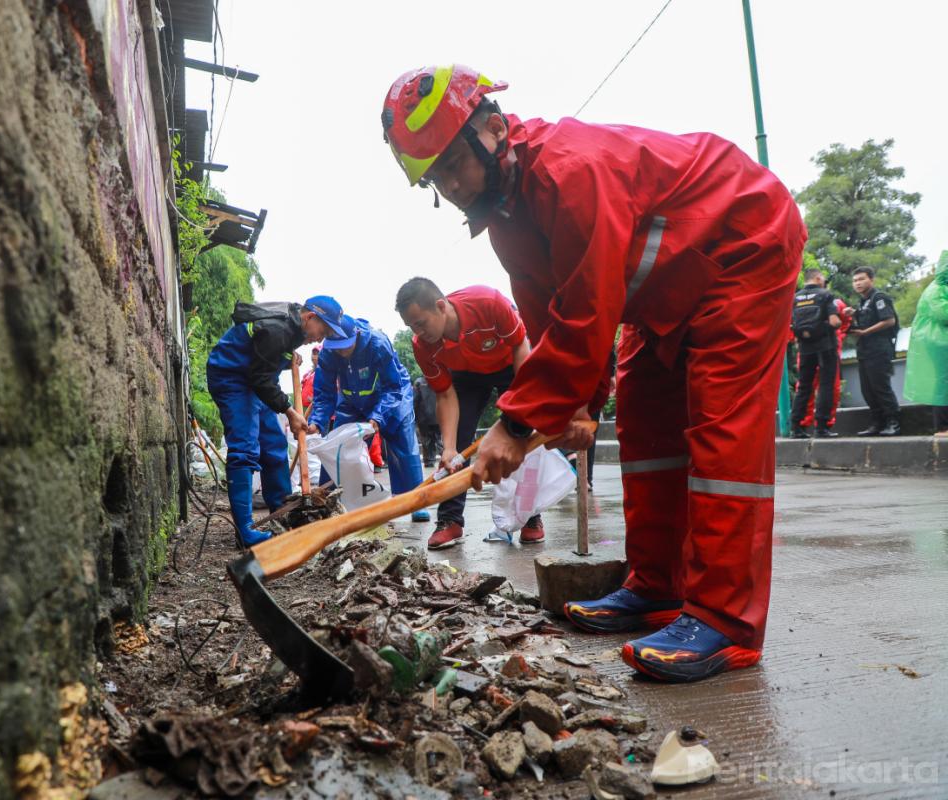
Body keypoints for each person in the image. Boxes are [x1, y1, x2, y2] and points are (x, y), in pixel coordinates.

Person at [381, 65, 806, 682]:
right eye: (437, 179)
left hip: (741, 247)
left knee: (721, 436)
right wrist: (576, 407)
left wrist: (519, 424)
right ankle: (658, 587)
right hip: (659, 294)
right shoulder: (506, 219)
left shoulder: (570, 171)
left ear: (494, 130)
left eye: (453, 166)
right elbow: (554, 320)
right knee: (645, 433)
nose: (451, 186)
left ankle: (726, 621)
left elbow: (585, 314)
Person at [395, 278, 543, 549]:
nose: (417, 332)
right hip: (467, 375)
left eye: (420, 323)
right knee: (455, 449)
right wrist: (449, 448)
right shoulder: (423, 345)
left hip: (511, 364)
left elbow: (521, 346)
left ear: (440, 306)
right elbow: (445, 394)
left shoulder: (487, 302)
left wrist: (519, 410)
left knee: (521, 435)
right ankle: (450, 520)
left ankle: (531, 517)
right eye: (410, 326)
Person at [206, 297, 346, 546]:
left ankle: (282, 512)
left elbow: (262, 357)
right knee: (245, 448)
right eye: (322, 331)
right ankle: (246, 531)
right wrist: (290, 412)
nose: (320, 339)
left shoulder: (292, 326)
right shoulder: (279, 329)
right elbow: (260, 376)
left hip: (251, 380)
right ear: (310, 317)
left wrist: (285, 358)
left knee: (274, 445)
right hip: (231, 376)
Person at [308, 316, 424, 509]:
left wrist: (378, 416)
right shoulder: (329, 353)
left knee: (402, 442)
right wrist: (316, 422)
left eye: (345, 345)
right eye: (337, 347)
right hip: (351, 399)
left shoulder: (378, 344)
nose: (342, 351)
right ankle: (329, 500)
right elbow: (324, 393)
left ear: (357, 335)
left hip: (391, 394)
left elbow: (392, 386)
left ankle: (415, 501)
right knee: (339, 445)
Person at [789, 268, 844, 438]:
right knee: (826, 385)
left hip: (805, 348)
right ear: (818, 278)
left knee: (804, 387)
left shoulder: (795, 298)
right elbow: (835, 322)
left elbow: (791, 324)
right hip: (826, 345)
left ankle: (796, 428)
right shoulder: (825, 295)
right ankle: (821, 427)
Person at [849, 267, 901, 436]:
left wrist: (865, 332)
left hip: (879, 349)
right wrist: (854, 314)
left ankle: (893, 422)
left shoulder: (879, 297)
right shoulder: (863, 302)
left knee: (881, 387)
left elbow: (889, 320)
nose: (858, 283)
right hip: (865, 351)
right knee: (867, 389)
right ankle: (877, 423)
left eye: (861, 279)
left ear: (871, 279)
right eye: (855, 280)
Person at [903, 251, 948, 435]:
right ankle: (943, 426)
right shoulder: (936, 290)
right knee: (943, 383)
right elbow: (943, 314)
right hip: (939, 344)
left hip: (941, 343)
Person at [412, 376, 442, 468]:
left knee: (426, 441)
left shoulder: (418, 382)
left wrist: (414, 418)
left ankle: (429, 462)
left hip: (423, 418)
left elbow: (414, 401)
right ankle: (447, 458)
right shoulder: (440, 379)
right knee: (439, 439)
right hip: (438, 416)